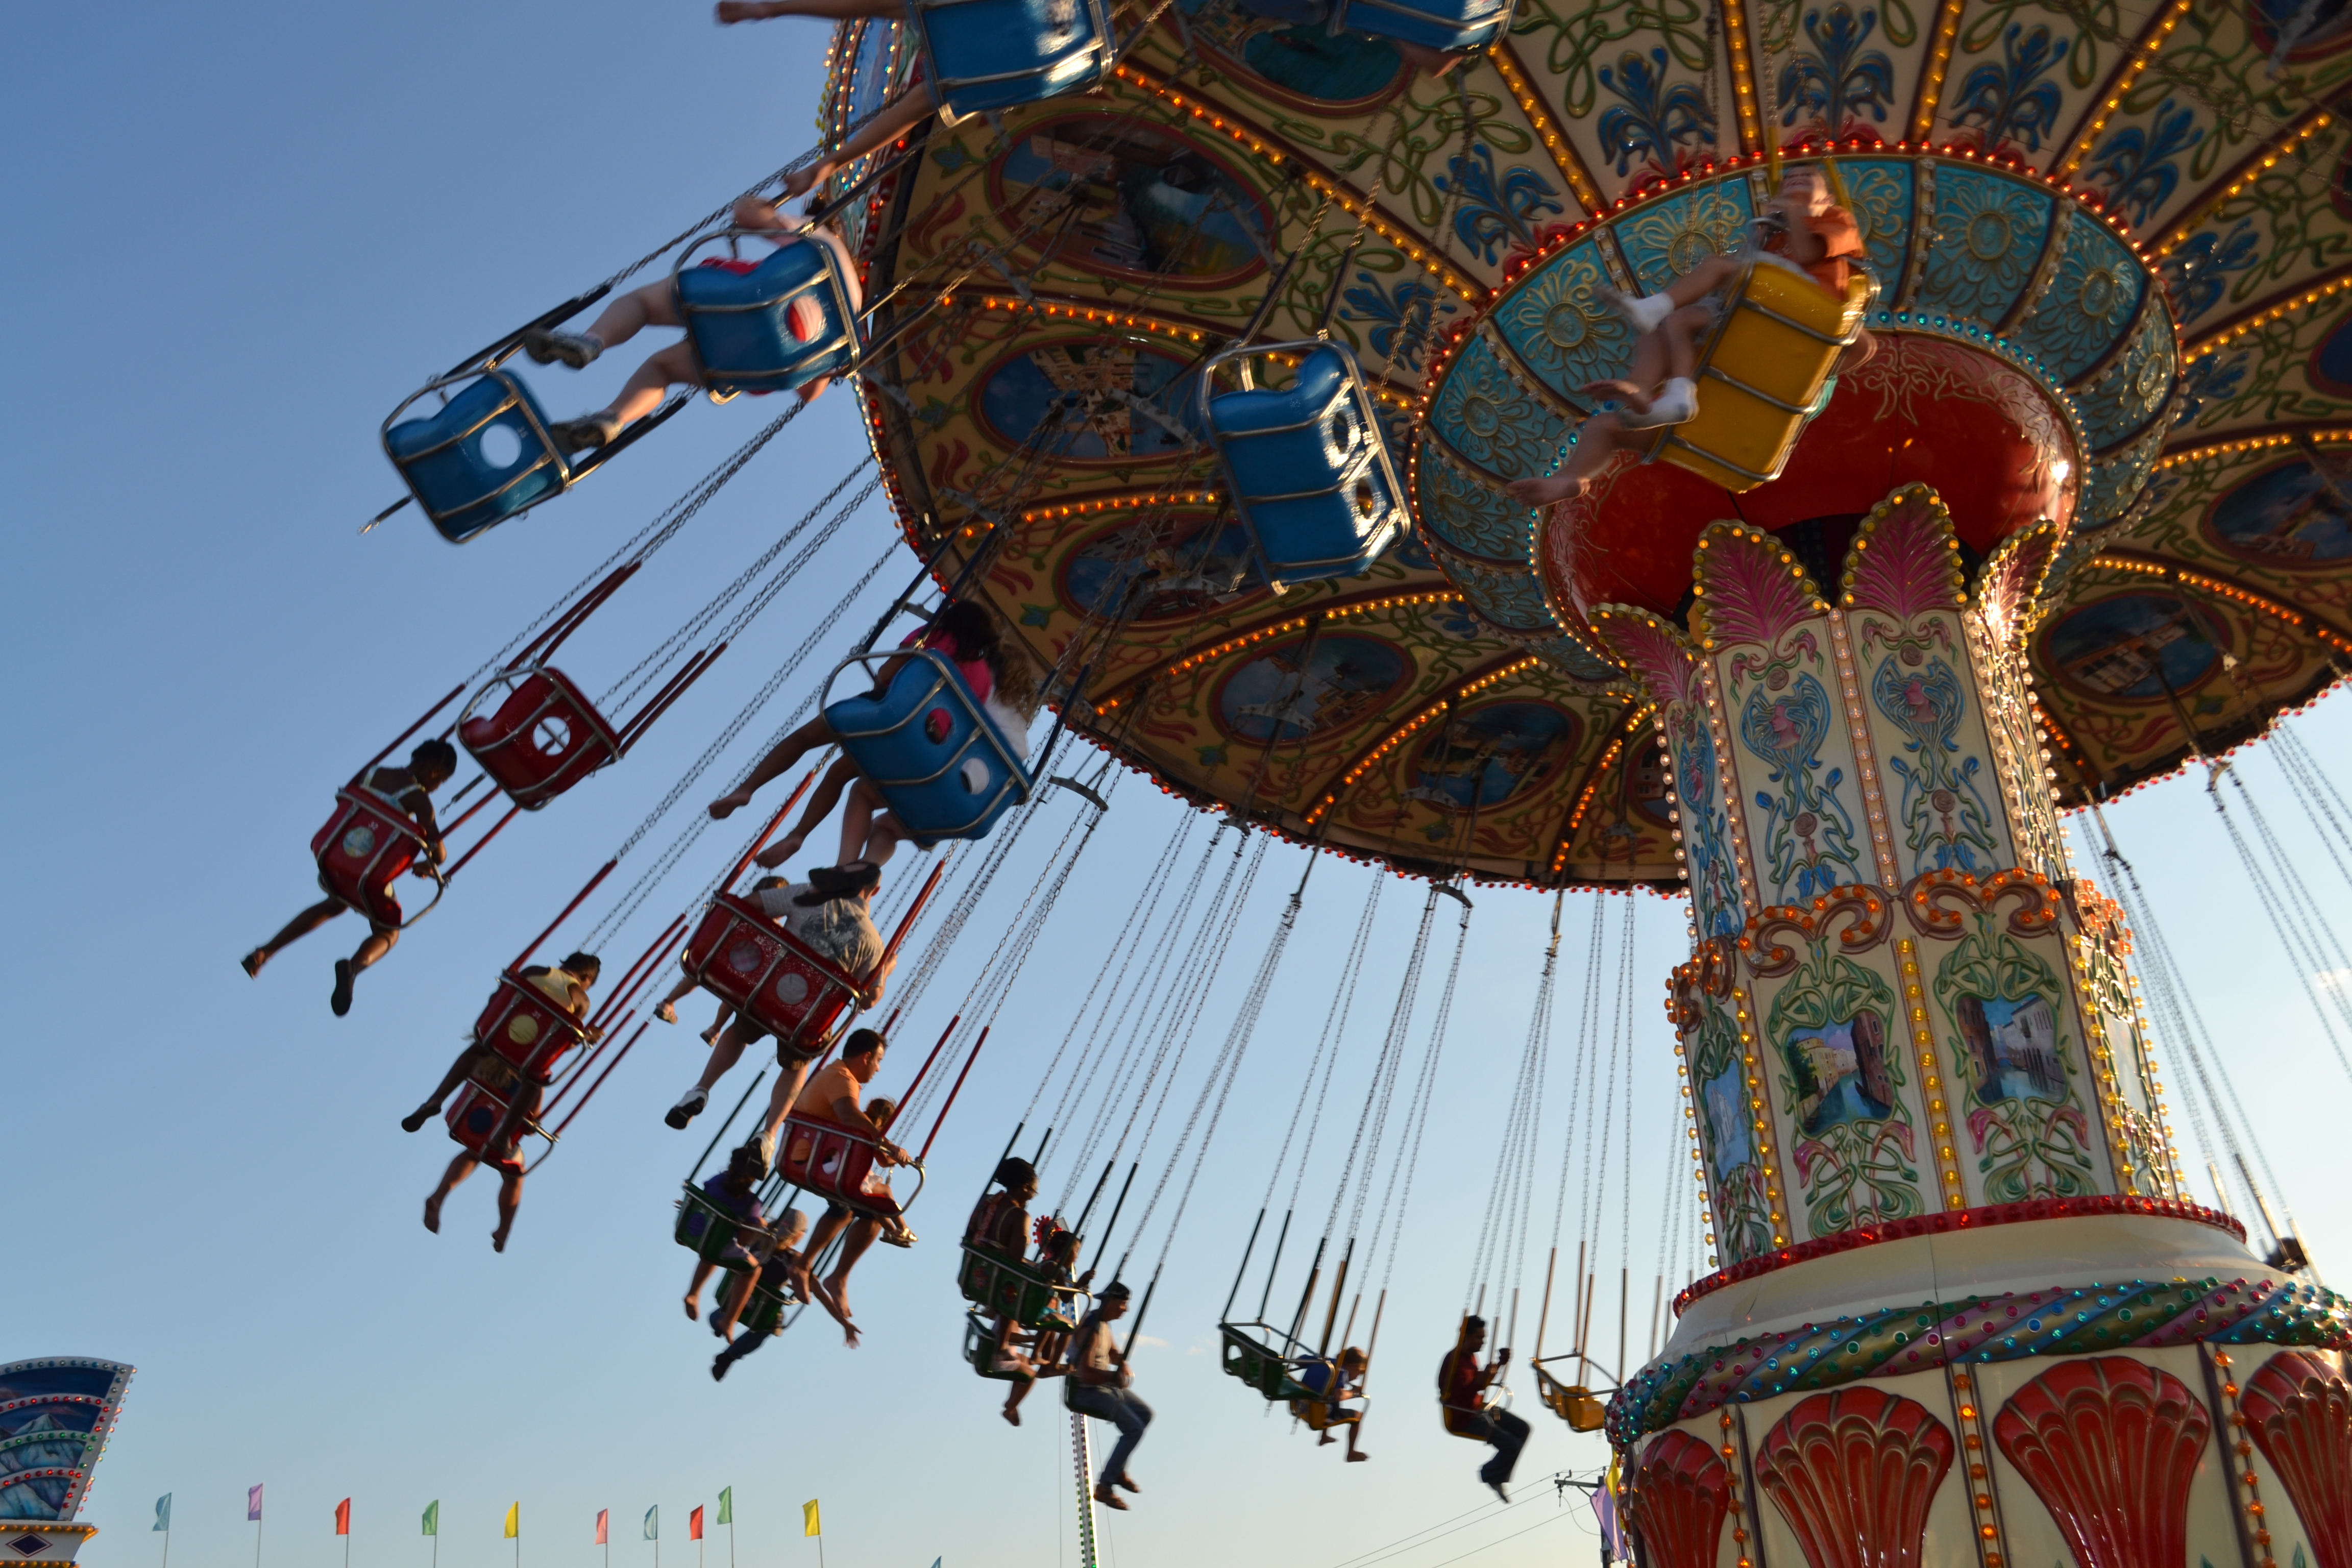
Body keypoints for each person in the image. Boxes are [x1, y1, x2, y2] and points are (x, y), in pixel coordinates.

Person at [1504, 167, 1872, 508]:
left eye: (1807, 176)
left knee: (1714, 269)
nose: (1795, 178)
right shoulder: (1774, 235)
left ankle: (1656, 317)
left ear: (1828, 198)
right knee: (1654, 344)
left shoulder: (1834, 220)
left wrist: (1793, 211)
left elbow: (1809, 254)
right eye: (1789, 177)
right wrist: (1767, 230)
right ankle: (1582, 467)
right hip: (1722, 400)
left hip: (1797, 311)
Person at [708, 601, 1038, 869]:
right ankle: (809, 842)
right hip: (926, 750)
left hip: (889, 717)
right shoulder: (983, 679)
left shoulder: (933, 635)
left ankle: (749, 791)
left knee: (804, 739)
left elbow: (886, 675)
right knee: (842, 774)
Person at [519, 196, 862, 452]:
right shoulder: (854, 315)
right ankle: (612, 418)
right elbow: (809, 392)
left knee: (643, 304)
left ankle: (593, 341)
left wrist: (760, 206)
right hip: (761, 362)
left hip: (744, 299)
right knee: (663, 370)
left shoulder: (819, 237)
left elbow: (746, 214)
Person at [662, 863, 896, 1141]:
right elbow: (870, 1000)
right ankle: (768, 1135)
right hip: (807, 1016)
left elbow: (750, 904)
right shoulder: (873, 942)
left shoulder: (808, 894)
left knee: (739, 1032)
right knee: (798, 1062)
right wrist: (885, 971)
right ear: (874, 891)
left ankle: (702, 1088)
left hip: (769, 991)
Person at [242, 739, 456, 1016]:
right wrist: (427, 865)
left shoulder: (372, 772)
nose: (437, 788)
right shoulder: (419, 799)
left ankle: (265, 952)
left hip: (334, 855)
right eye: (441, 782)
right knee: (389, 931)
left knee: (336, 903)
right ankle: (353, 968)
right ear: (435, 771)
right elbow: (439, 854)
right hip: (367, 875)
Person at [409, 953, 603, 1252]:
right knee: (514, 1170)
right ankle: (504, 1227)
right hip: (523, 1070)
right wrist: (587, 1037)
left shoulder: (535, 970)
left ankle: (436, 1100)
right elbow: (566, 1041)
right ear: (587, 979)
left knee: (475, 1148)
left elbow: (500, 999)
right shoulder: (580, 999)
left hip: (491, 1056)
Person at [783, 1030, 912, 1322]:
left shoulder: (840, 1076)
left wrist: (885, 1150)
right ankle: (803, 1265)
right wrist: (887, 1144)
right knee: (847, 1206)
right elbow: (850, 1116)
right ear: (866, 1057)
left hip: (821, 1155)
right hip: (811, 1156)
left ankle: (838, 1277)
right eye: (878, 1061)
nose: (878, 1069)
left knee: (871, 1214)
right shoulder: (842, 1078)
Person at [650, 875, 790, 1037]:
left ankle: (668, 1002)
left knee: (697, 974)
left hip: (717, 958)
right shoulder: (775, 929)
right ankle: (715, 1029)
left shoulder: (740, 908)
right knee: (735, 997)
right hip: (743, 972)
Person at [1067, 1282, 1150, 1509]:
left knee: (1145, 1414)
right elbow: (1086, 1373)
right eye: (1123, 1304)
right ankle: (1105, 1487)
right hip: (1086, 1391)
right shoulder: (1090, 1330)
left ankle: (1118, 1469)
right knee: (1134, 1429)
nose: (1126, 1309)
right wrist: (1114, 1377)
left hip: (1103, 1387)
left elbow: (1112, 1352)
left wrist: (1122, 1364)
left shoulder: (1103, 1325)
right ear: (1111, 1302)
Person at [1000, 1225, 1092, 1427]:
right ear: (1066, 1251)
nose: (1077, 1257)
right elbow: (1066, 1297)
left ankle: (1043, 1361)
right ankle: (1049, 1362)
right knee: (1069, 1327)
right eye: (1076, 1252)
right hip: (1040, 1312)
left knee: (1056, 1324)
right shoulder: (1055, 1268)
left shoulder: (1050, 1266)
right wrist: (1081, 1283)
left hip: (1041, 1312)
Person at [1438, 1315, 1527, 1501]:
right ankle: (1490, 1474)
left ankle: (1498, 1475)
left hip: (1479, 1408)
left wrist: (1500, 1365)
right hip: (1465, 1417)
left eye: (1484, 1338)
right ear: (1466, 1337)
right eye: (1479, 1338)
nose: (1483, 1342)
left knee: (1523, 1429)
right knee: (1511, 1445)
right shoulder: (1454, 1361)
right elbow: (1468, 1389)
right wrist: (1486, 1376)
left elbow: (1481, 1383)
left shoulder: (1471, 1357)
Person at [857, 1096, 918, 1247]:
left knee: (879, 1197)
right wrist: (901, 1159)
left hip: (843, 1167)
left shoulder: (857, 1120)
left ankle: (892, 1230)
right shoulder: (873, 1133)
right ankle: (902, 1228)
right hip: (855, 1176)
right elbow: (884, 1161)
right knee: (883, 1193)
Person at [1294, 1345, 1371, 1461]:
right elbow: (1339, 1396)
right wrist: (1353, 1392)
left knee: (1328, 1391)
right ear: (1352, 1366)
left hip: (1300, 1405)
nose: (1356, 1378)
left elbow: (1298, 1361)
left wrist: (1316, 1360)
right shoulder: (1341, 1372)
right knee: (1358, 1417)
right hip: (1318, 1414)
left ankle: (1324, 1436)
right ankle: (1351, 1453)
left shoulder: (1325, 1362)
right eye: (1359, 1373)